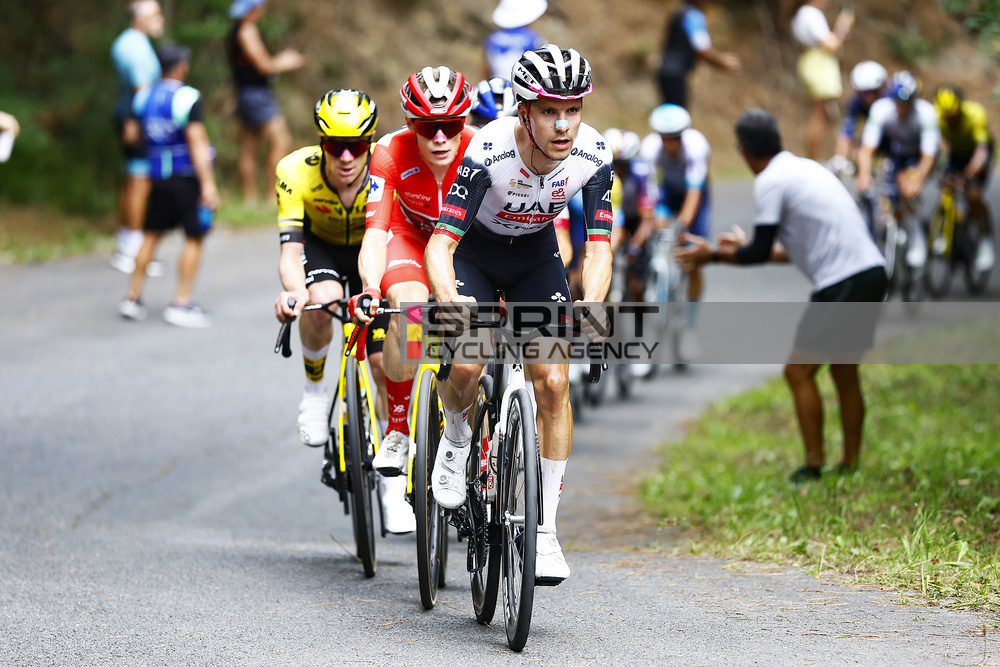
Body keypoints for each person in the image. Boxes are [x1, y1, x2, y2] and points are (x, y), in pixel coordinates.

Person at [424, 44, 614, 583]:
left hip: (536, 256)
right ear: (524, 111)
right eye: (549, 111)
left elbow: (598, 244)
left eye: (572, 109)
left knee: (554, 384)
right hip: (475, 255)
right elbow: (440, 245)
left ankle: (546, 532)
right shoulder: (486, 151)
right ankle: (458, 434)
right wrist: (449, 301)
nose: (563, 124)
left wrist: (592, 308)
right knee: (467, 363)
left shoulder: (594, 154)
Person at [676, 109, 887, 483]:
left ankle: (813, 465)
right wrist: (730, 251)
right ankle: (850, 465)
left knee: (797, 371)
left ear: (742, 151)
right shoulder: (805, 168)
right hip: (871, 272)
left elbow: (758, 252)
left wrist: (713, 254)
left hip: (844, 281)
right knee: (843, 371)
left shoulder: (771, 180)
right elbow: (788, 251)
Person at [270, 89, 408, 533]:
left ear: (370, 142)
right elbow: (291, 250)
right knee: (318, 302)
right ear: (321, 144)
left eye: (357, 145)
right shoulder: (294, 171)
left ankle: (393, 485)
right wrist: (293, 292)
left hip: (375, 247)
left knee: (384, 365)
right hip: (323, 248)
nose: (347, 156)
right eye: (335, 146)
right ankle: (313, 393)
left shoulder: (388, 167)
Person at [348, 67, 477, 496]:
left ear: (465, 122)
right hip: (409, 236)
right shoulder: (388, 152)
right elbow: (374, 232)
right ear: (409, 126)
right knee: (409, 303)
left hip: (468, 245)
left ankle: (487, 437)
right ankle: (399, 428)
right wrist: (369, 286)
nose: (440, 138)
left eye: (451, 126)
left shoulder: (482, 151)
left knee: (475, 339)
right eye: (428, 128)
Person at [118, 44, 220, 328]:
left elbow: (132, 135)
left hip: (157, 177)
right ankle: (181, 303)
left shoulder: (144, 97)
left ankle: (132, 297)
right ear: (181, 67)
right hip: (185, 176)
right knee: (194, 237)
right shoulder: (188, 98)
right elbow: (197, 143)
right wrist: (209, 184)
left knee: (150, 235)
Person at [855, 71, 940, 275]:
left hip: (918, 156)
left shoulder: (926, 113)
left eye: (907, 104)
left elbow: (928, 156)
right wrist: (864, 174)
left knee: (907, 187)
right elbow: (867, 149)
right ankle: (889, 229)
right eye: (898, 103)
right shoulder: (881, 109)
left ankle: (917, 236)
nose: (902, 109)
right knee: (888, 190)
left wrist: (917, 178)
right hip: (896, 153)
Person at [640, 104, 712, 331]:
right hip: (669, 191)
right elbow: (648, 191)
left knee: (692, 256)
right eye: (665, 138)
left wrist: (683, 224)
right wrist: (653, 218)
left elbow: (694, 194)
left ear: (683, 135)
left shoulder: (696, 146)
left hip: (695, 192)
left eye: (675, 138)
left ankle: (690, 323)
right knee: (656, 230)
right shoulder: (650, 147)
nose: (670, 143)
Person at [226, 0, 305, 204]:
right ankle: (271, 196)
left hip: (245, 93)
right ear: (253, 9)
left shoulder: (236, 30)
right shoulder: (247, 31)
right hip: (257, 95)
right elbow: (264, 66)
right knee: (281, 140)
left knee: (249, 146)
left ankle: (250, 200)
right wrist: (286, 61)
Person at [110, 0, 165, 275]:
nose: (160, 19)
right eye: (154, 14)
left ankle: (126, 242)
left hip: (129, 114)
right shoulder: (136, 46)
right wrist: (139, 122)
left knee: (132, 178)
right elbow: (141, 90)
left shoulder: (129, 41)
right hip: (137, 118)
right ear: (139, 18)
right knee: (140, 181)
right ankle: (133, 250)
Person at [933, 84, 996, 271]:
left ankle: (985, 238)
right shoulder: (938, 116)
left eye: (953, 116)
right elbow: (936, 145)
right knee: (946, 186)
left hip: (977, 153)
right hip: (957, 153)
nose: (950, 120)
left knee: (972, 193)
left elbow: (982, 150)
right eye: (947, 116)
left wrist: (968, 175)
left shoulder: (975, 114)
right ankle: (944, 232)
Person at [791, 0, 854, 160]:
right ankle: (813, 158)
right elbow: (829, 45)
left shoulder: (800, 13)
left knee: (823, 112)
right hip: (818, 62)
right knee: (818, 114)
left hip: (810, 60)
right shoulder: (811, 13)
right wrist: (843, 26)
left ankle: (826, 155)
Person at [656, 0, 741, 109]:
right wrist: (723, 61)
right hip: (676, 73)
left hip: (665, 71)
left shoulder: (680, 12)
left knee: (670, 115)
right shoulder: (694, 16)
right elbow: (702, 49)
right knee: (678, 116)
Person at [829, 60, 889, 175]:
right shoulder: (856, 103)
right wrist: (839, 159)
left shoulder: (891, 100)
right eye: (863, 93)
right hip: (874, 138)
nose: (868, 97)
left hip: (895, 139)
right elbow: (846, 133)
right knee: (858, 156)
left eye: (872, 92)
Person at [483, 0, 547, 81]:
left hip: (497, 87)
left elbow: (486, 71)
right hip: (522, 89)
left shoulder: (493, 38)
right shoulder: (534, 39)